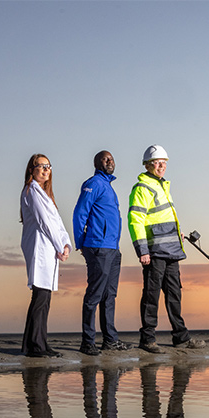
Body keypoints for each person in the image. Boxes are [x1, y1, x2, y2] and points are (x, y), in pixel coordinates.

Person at [127, 145, 205, 352]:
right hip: (154, 253)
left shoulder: (163, 187)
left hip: (171, 251)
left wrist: (176, 234)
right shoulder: (142, 188)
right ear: (147, 165)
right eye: (157, 162)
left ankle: (180, 337)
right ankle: (147, 339)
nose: (162, 166)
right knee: (151, 295)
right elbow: (135, 220)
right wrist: (142, 250)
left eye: (164, 162)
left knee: (174, 294)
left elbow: (161, 218)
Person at [72, 150, 130, 356]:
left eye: (112, 159)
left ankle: (110, 340)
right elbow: (80, 212)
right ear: (97, 163)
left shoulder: (108, 187)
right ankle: (87, 341)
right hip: (98, 246)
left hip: (113, 249)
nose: (110, 162)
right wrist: (81, 242)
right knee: (94, 294)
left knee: (109, 296)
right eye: (105, 159)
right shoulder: (94, 183)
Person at [19, 154, 72, 358]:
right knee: (40, 295)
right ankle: (34, 345)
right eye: (40, 166)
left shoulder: (45, 194)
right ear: (31, 169)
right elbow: (44, 222)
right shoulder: (31, 190)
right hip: (40, 247)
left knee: (45, 297)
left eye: (48, 166)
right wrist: (60, 245)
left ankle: (39, 342)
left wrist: (66, 243)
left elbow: (58, 222)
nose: (45, 170)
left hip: (50, 249)